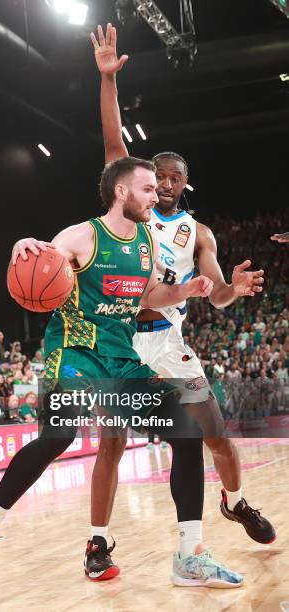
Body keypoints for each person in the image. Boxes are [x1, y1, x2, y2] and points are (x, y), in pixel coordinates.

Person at [0, 156, 225, 590]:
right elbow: (45, 259)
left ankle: (189, 556)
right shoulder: (82, 236)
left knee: (187, 432)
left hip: (119, 358)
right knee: (58, 437)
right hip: (74, 352)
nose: (156, 196)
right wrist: (23, 245)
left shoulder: (147, 243)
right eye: (148, 189)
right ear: (122, 192)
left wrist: (183, 290)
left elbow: (146, 294)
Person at [87, 23, 275, 585]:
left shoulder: (199, 233)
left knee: (215, 433)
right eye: (158, 177)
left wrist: (231, 289)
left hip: (169, 340)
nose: (165, 184)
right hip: (122, 339)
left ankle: (235, 502)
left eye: (174, 179)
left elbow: (214, 293)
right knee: (112, 443)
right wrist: (106, 83)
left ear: (185, 185)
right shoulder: (132, 208)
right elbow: (112, 142)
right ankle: (97, 543)